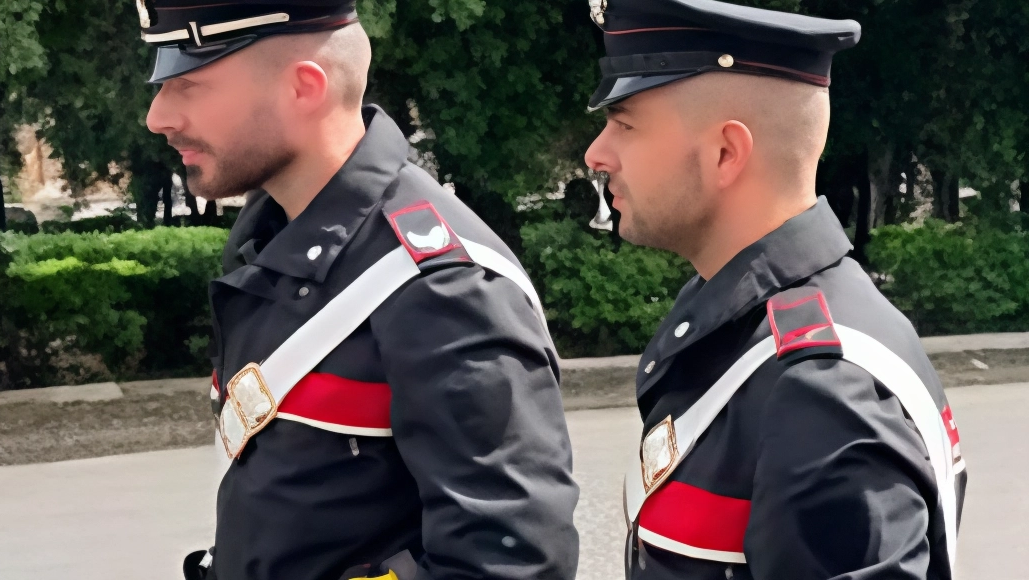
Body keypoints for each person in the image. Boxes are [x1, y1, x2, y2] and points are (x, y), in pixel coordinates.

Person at [138, 1, 579, 579]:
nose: (158, 116)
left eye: (189, 84)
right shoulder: (268, 235)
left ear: (303, 88)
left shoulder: (444, 286)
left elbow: (509, 563)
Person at [582, 0, 968, 578]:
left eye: (625, 124)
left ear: (725, 153)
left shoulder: (821, 388)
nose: (597, 153)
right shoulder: (753, 328)